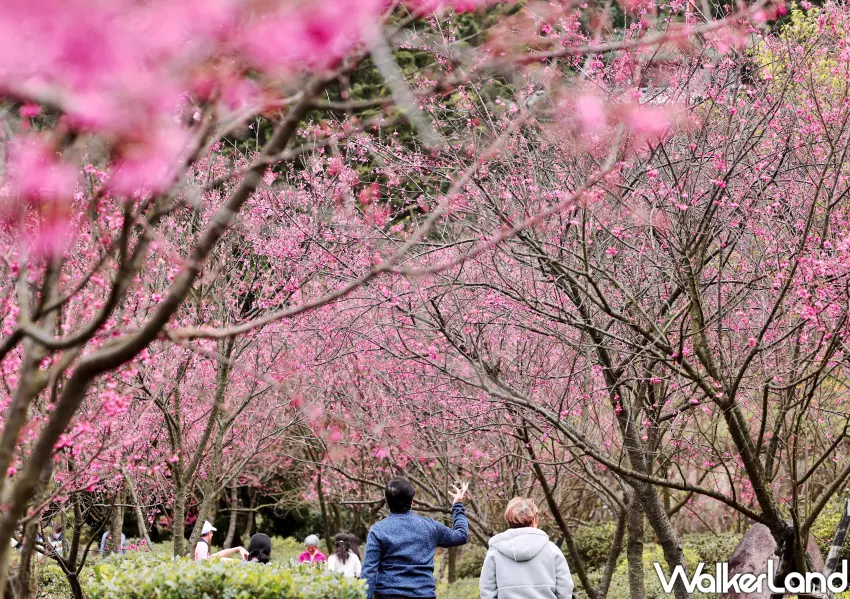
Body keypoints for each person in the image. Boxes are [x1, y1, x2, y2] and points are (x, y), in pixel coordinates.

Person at [362, 477, 468, 599]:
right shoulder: (430, 527)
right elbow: (461, 535)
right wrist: (457, 505)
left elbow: (369, 571)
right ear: (412, 500)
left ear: (387, 502)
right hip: (423, 595)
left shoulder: (378, 530)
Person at [479, 497, 574, 599]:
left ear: (509, 520)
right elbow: (565, 589)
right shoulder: (552, 550)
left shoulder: (495, 551)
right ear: (534, 520)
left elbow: (487, 591)